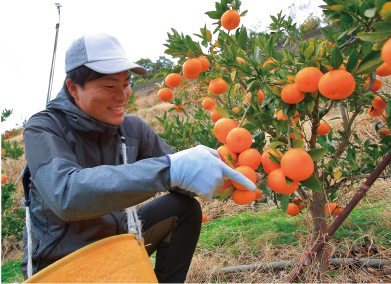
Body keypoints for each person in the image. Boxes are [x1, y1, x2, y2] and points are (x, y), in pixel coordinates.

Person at [20, 32, 257, 283]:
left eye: (125, 84)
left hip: (118, 241)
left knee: (183, 208)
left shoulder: (132, 129)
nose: (122, 96)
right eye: (110, 86)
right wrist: (169, 170)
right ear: (73, 88)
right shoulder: (44, 128)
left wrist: (228, 172)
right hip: (63, 261)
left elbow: (179, 174)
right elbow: (66, 195)